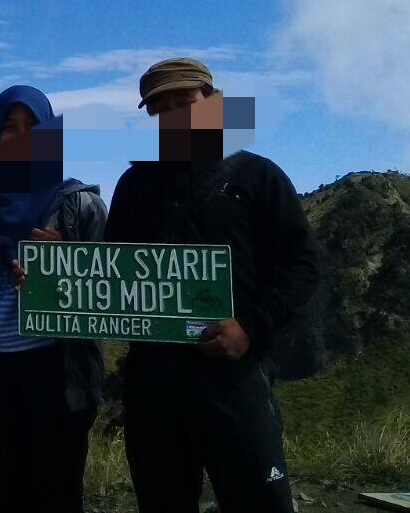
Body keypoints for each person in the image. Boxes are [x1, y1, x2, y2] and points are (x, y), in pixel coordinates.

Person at [106, 57, 321, 513]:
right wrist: (49, 269)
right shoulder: (133, 185)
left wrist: (249, 328)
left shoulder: (258, 177)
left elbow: (302, 266)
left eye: (184, 103)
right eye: (159, 109)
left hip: (236, 379)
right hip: (153, 387)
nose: (172, 117)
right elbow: (110, 272)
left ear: (214, 103)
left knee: (259, 503)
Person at [0, 85, 107, 513]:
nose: (20, 136)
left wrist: (63, 266)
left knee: (60, 494)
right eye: (8, 128)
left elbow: (110, 289)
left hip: (59, 373)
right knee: (15, 493)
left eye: (32, 126)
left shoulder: (77, 204)